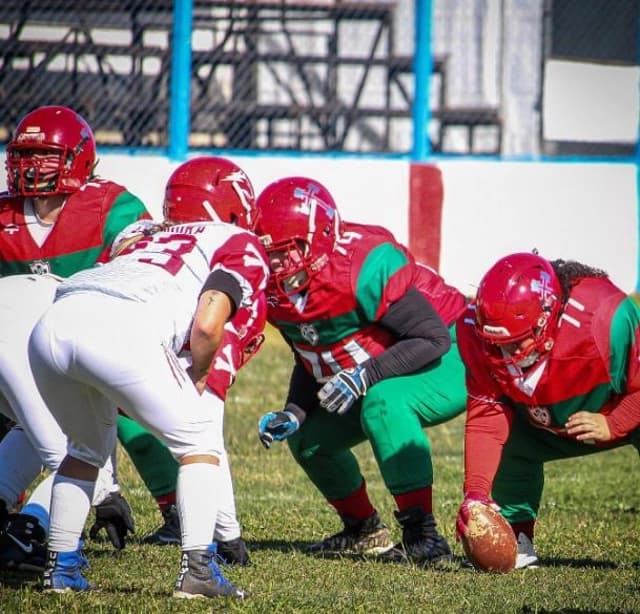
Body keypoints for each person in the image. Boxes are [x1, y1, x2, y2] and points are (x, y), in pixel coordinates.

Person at [26, 163, 269, 597]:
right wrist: (196, 372)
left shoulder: (143, 233)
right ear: (235, 207)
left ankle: (60, 570)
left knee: (83, 449)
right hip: (120, 327)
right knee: (198, 442)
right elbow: (210, 321)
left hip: (53, 322)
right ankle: (198, 572)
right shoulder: (236, 240)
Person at [255, 176, 468, 566]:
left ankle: (423, 537)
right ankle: (363, 530)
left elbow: (431, 337)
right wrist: (294, 411)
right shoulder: (275, 288)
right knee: (308, 440)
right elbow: (313, 353)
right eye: (269, 253)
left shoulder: (362, 268)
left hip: (453, 347)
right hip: (382, 361)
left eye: (287, 252)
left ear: (318, 239)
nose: (275, 264)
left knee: (384, 403)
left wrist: (364, 376)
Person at [0, 105, 150, 569]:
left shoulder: (110, 206)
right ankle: (35, 527)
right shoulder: (4, 213)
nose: (32, 166)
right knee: (78, 438)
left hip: (76, 345)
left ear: (78, 159)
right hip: (20, 350)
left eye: (47, 155)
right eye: (25, 154)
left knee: (60, 428)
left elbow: (142, 266)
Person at [116, 156, 265, 565]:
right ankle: (208, 551)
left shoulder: (142, 238)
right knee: (201, 433)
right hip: (159, 336)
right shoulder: (236, 252)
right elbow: (209, 420)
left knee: (64, 438)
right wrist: (231, 538)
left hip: (76, 327)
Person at [454, 252, 640, 570]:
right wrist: (476, 495)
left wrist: (614, 422)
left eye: (515, 344)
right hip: (544, 420)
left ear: (546, 319)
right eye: (496, 344)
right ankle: (516, 536)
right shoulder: (474, 329)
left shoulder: (605, 318)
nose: (503, 355)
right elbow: (487, 419)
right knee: (508, 440)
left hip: (619, 409)